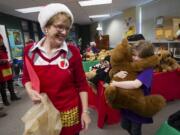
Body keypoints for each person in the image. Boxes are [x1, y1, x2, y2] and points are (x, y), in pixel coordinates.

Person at [22, 3, 91, 135]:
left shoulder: (72, 52)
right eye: (59, 27)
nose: (64, 32)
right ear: (46, 27)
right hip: (44, 111)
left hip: (69, 111)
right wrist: (29, 90)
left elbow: (82, 84)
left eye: (67, 28)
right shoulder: (30, 52)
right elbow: (26, 77)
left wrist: (85, 111)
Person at [110, 40, 155, 135]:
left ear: (146, 57)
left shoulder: (148, 69)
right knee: (124, 125)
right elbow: (119, 69)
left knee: (135, 130)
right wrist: (117, 73)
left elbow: (136, 84)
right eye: (132, 55)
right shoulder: (132, 63)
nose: (133, 58)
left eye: (136, 56)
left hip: (138, 105)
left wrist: (116, 84)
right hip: (127, 104)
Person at [0, 34, 21, 106]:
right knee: (2, 85)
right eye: (0, 40)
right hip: (1, 69)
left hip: (7, 67)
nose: (1, 41)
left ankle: (13, 96)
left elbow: (5, 57)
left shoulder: (3, 48)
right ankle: (5, 100)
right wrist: (3, 61)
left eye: (1, 40)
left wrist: (9, 61)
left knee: (10, 82)